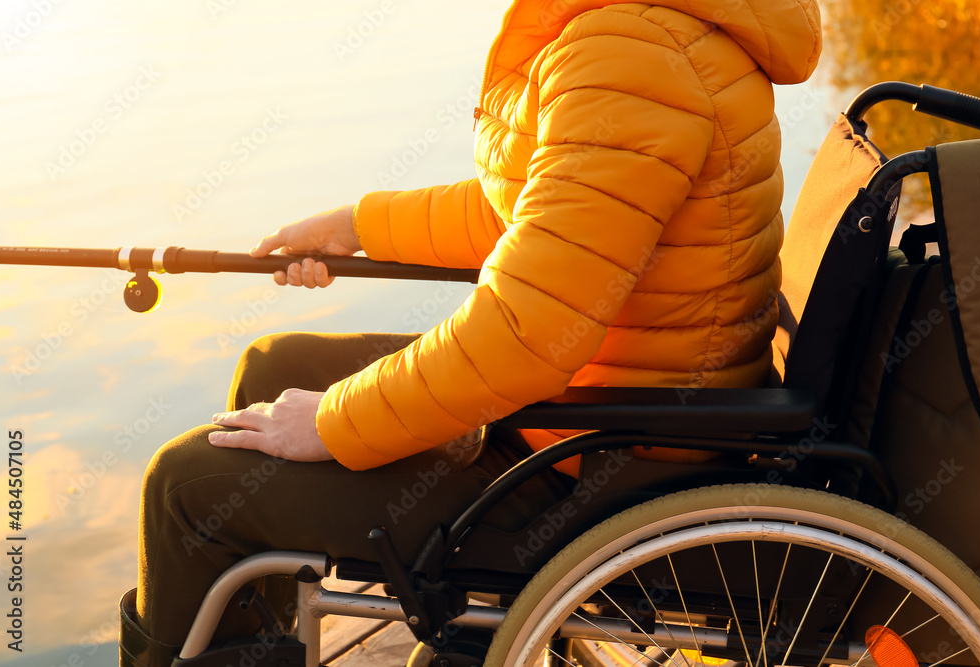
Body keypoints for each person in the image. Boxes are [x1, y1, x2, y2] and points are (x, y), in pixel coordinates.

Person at [118, 0, 822, 664]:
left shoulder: (630, 54)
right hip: (620, 418)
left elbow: (528, 333)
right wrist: (360, 225)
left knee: (184, 487)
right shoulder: (658, 32)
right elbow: (544, 209)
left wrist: (332, 423)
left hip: (597, 472)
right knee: (274, 363)